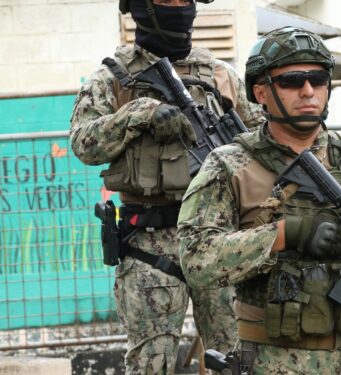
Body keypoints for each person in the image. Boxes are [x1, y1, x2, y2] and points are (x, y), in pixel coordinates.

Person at [177, 26, 341, 373]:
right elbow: (195, 259)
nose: (309, 90)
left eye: (319, 79)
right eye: (292, 80)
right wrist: (284, 234)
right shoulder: (230, 165)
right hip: (275, 361)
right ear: (261, 92)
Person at [69, 0, 263, 373]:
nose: (179, 8)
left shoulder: (220, 74)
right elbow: (83, 144)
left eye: (184, 0)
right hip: (149, 244)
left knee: (238, 359)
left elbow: (263, 141)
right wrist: (137, 114)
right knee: (150, 364)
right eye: (167, 0)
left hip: (220, 238)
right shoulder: (113, 77)